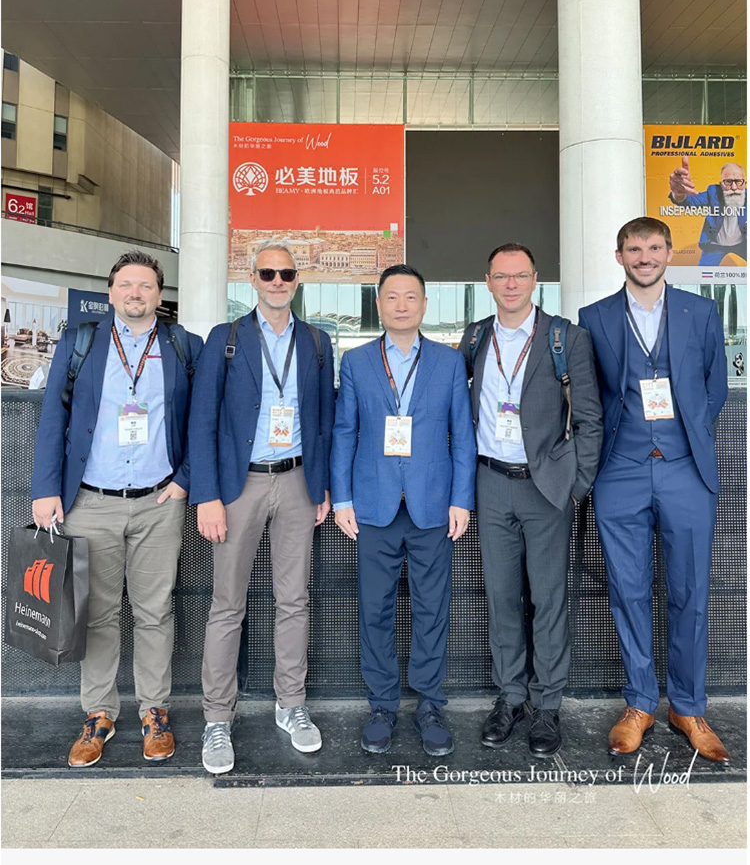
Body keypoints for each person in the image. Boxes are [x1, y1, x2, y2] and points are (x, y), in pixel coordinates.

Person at [31, 251, 202, 767]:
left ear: (159, 295)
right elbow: (53, 418)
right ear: (110, 293)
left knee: (155, 611)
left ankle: (154, 712)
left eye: (145, 286)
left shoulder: (181, 345)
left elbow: (202, 420)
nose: (135, 293)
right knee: (99, 614)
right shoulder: (80, 341)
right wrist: (46, 489)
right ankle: (99, 714)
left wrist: (184, 481)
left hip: (158, 502)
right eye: (125, 284)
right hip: (90, 501)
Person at [579, 217, 729, 762]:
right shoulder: (594, 317)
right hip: (620, 469)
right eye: (634, 248)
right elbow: (590, 395)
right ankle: (640, 702)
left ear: (668, 253)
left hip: (686, 468)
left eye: (654, 247)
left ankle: (687, 706)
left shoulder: (700, 312)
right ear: (619, 256)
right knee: (628, 589)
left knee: (690, 591)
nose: (644, 256)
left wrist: (686, 434)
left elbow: (715, 387)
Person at [189, 238, 334, 775]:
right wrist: (207, 495)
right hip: (239, 486)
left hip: (296, 482)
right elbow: (201, 421)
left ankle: (290, 705)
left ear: (297, 280)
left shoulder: (317, 341)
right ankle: (216, 717)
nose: (277, 282)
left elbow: (324, 420)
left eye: (286, 274)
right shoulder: (225, 339)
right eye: (267, 273)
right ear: (252, 279)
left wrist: (321, 485)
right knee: (228, 604)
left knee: (293, 600)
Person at [459, 244, 602, 757]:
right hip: (491, 483)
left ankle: (547, 704)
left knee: (548, 599)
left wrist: (576, 485)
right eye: (502, 276)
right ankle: (511, 697)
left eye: (520, 275)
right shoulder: (475, 337)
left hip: (547, 487)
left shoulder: (566, 338)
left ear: (535, 280)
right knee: (501, 597)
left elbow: (589, 418)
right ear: (488, 282)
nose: (511, 284)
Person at [330, 264, 475, 757]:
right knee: (375, 609)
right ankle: (382, 705)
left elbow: (463, 434)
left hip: (433, 504)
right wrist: (342, 498)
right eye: (392, 296)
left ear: (424, 305)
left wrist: (461, 498)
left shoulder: (448, 362)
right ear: (379, 304)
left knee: (432, 609)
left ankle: (430, 704)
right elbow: (344, 431)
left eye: (411, 296)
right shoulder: (356, 361)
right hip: (373, 504)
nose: (401, 305)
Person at [668, 158, 747, 265]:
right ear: (721, 184)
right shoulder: (713, 193)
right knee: (703, 273)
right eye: (728, 182)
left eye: (738, 182)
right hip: (716, 245)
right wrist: (679, 194)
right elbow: (690, 202)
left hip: (743, 244)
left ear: (745, 183)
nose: (733, 187)